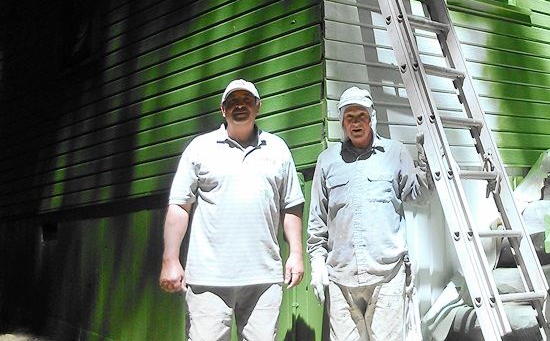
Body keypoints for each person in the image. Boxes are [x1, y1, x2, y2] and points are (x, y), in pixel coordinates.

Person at [159, 79, 305, 341]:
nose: (240, 105)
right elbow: (180, 206)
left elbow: (291, 205)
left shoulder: (278, 149)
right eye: (233, 101)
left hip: (263, 279)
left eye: (247, 100)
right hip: (208, 280)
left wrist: (296, 254)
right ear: (223, 109)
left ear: (258, 107)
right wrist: (170, 260)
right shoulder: (200, 148)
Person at [307, 86, 433, 341]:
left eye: (361, 115)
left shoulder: (394, 153)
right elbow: (317, 220)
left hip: (387, 275)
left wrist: (427, 159)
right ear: (342, 122)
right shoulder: (327, 160)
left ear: (372, 118)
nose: (355, 122)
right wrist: (316, 263)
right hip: (341, 278)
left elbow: (421, 196)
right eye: (349, 117)